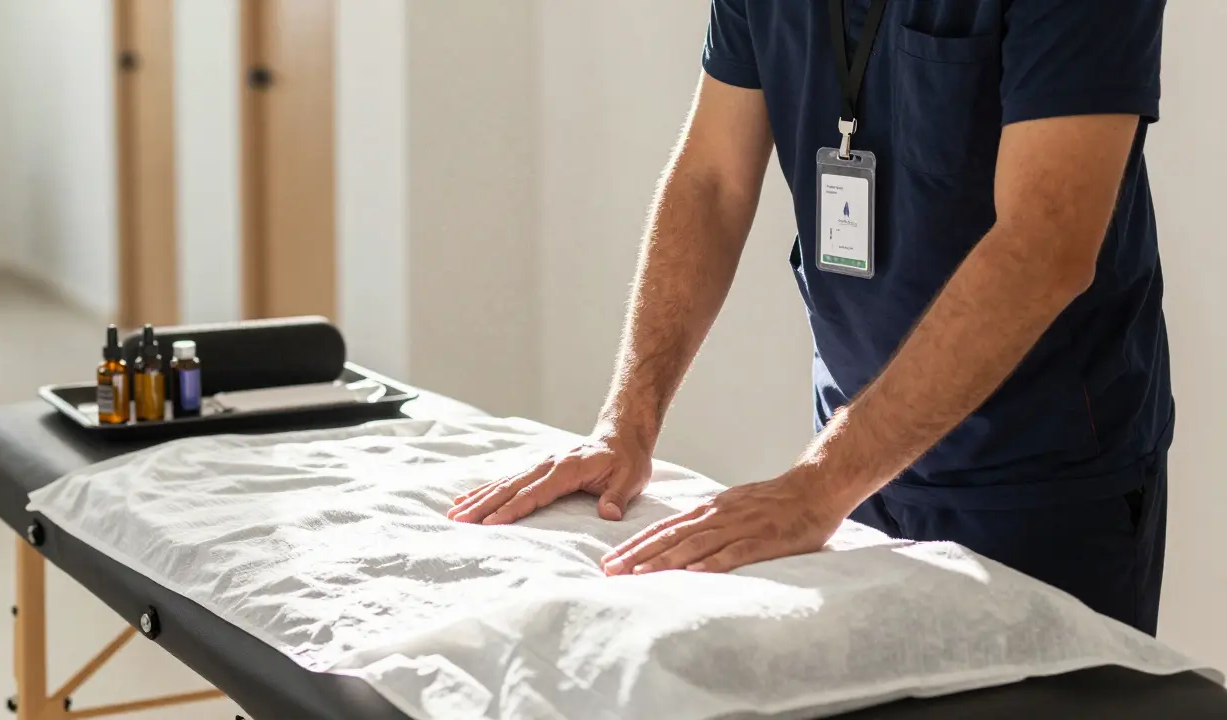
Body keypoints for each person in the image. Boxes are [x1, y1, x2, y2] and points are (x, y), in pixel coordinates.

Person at [449, 0, 1171, 636]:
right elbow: (712, 180)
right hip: (853, 470)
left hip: (1043, 486)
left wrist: (818, 486)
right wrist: (626, 426)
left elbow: (1043, 245)